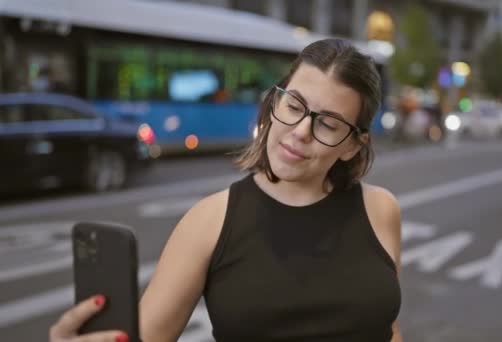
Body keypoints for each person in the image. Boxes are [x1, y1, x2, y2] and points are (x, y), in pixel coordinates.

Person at [49, 38, 403, 342]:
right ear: (273, 103)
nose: (300, 131)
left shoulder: (382, 209)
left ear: (353, 146)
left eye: (327, 124)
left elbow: (385, 327)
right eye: (294, 105)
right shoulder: (209, 220)